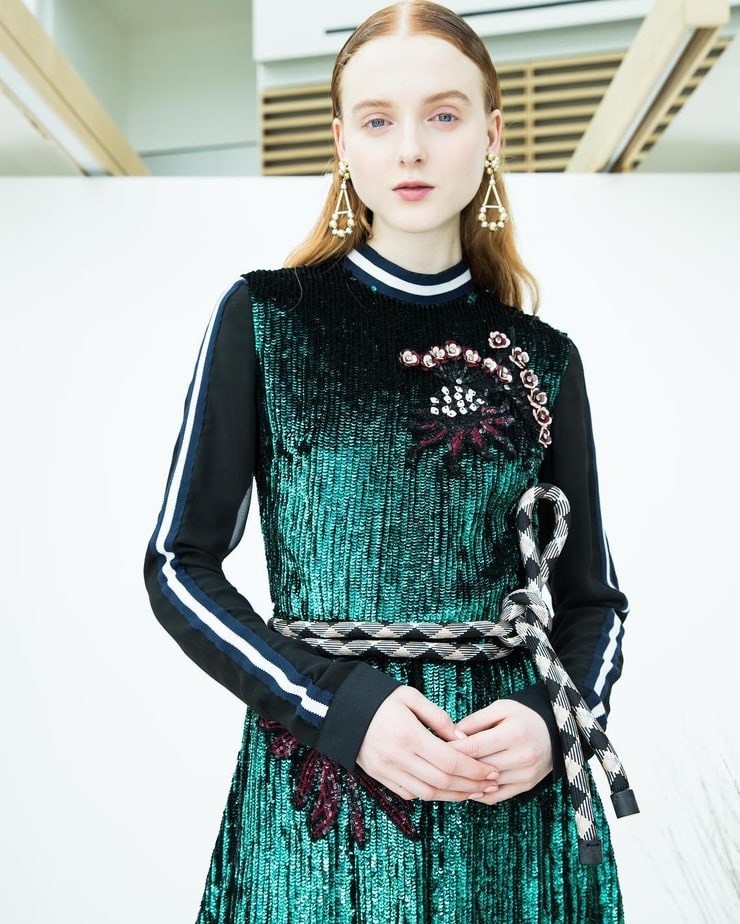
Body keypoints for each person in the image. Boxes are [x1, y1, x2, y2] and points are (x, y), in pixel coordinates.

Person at [144, 2, 637, 921]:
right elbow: (178, 565)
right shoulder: (265, 320)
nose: (411, 148)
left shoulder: (548, 362)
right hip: (319, 801)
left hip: (509, 811)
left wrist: (551, 720)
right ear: (342, 142)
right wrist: (335, 708)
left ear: (491, 134)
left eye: (443, 115)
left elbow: (593, 604)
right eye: (378, 120)